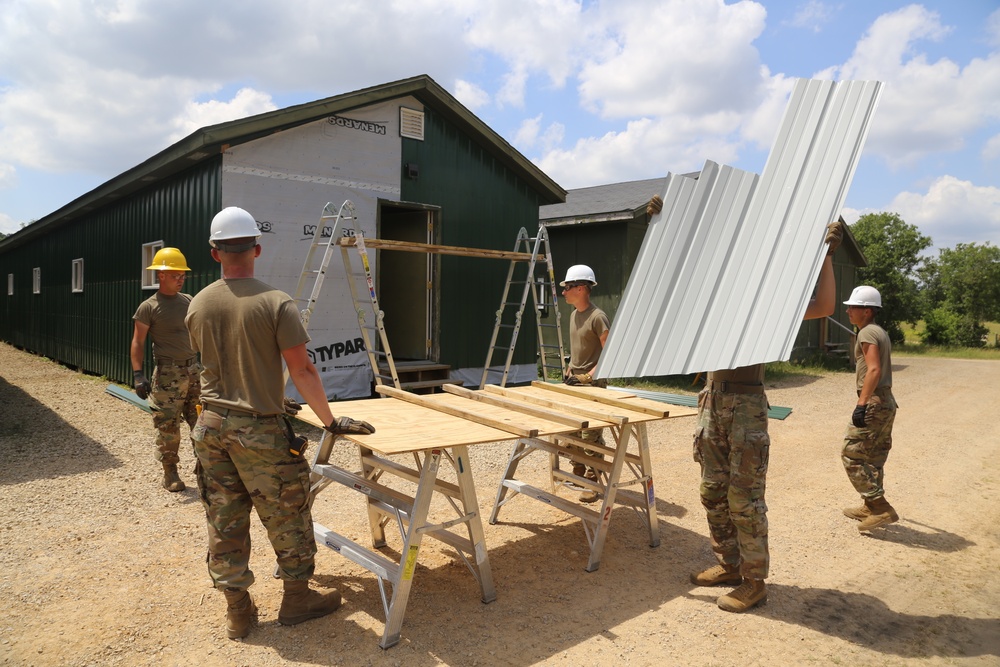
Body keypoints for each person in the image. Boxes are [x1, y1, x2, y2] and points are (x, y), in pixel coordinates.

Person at [185, 206, 376, 641]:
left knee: (224, 518)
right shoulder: (276, 303)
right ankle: (296, 599)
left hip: (211, 426)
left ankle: (237, 611)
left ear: (215, 252)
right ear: (257, 248)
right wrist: (329, 421)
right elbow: (303, 370)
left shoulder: (197, 304)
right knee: (287, 512)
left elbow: (217, 364)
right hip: (259, 429)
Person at [649, 195, 843, 613]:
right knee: (712, 491)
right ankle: (730, 566)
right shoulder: (709, 301)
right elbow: (672, 281)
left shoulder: (763, 305)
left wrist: (826, 254)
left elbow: (823, 306)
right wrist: (666, 226)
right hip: (712, 402)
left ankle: (755, 582)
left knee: (744, 497)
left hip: (746, 405)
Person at [130, 247, 199, 492]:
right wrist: (138, 374)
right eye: (175, 275)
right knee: (168, 428)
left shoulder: (190, 301)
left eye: (183, 275)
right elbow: (138, 341)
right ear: (161, 275)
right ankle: (170, 473)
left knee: (202, 424)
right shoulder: (149, 307)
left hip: (194, 372)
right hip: (168, 376)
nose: (180, 279)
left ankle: (204, 472)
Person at [840, 285, 898, 532]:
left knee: (850, 453)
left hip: (874, 402)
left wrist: (861, 403)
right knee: (873, 458)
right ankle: (869, 507)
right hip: (886, 402)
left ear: (867, 311)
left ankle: (880, 506)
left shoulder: (866, 334)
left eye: (852, 307)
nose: (848, 311)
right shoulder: (878, 331)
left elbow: (873, 369)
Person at [560, 264, 610, 503]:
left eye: (567, 287)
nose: (564, 292)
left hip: (592, 387)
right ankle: (578, 472)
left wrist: (589, 376)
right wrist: (570, 367)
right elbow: (578, 349)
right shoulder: (574, 314)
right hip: (575, 383)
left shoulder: (597, 317)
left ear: (581, 288)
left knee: (590, 437)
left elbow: (609, 353)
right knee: (571, 432)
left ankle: (593, 481)